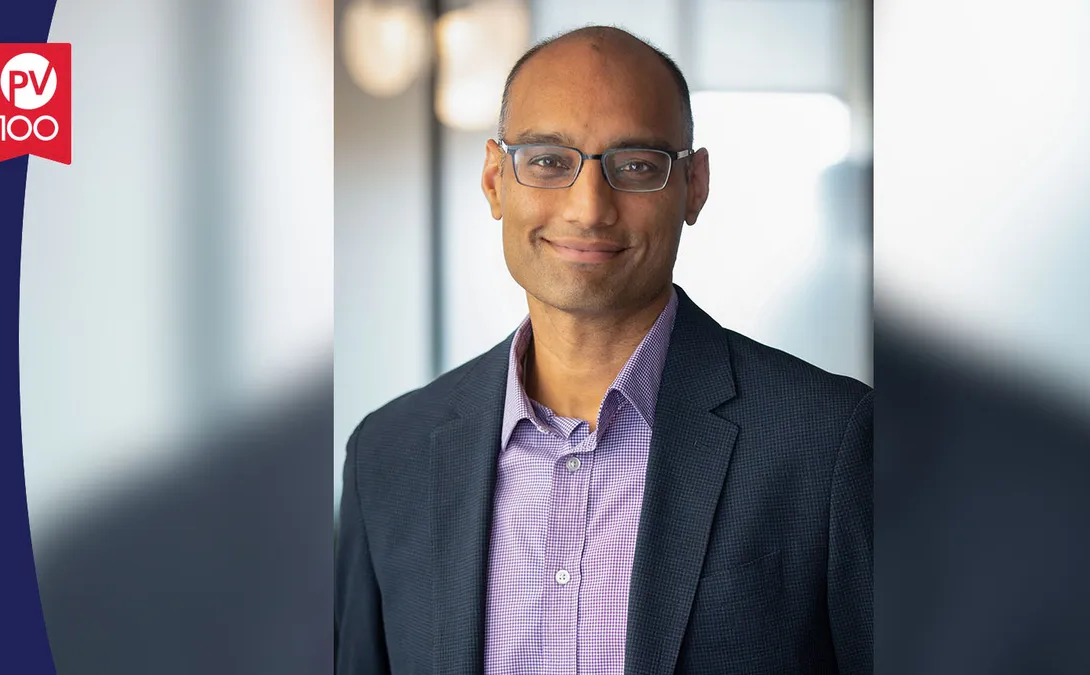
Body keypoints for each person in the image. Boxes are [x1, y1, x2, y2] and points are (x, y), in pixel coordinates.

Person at [336, 26, 872, 675]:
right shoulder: (387, 456)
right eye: (547, 160)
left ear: (695, 184)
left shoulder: (833, 442)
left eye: (637, 165)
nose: (589, 209)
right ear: (493, 179)